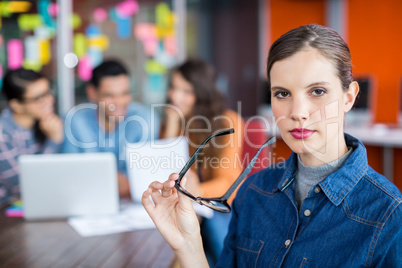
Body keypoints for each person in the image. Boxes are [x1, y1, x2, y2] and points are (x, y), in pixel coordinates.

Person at [142, 24, 402, 267]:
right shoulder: (253, 193)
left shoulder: (388, 214)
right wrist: (188, 246)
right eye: (283, 93)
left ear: (348, 97)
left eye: (318, 91)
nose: (298, 112)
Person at [160, 59, 244, 265]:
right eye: (173, 88)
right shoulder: (176, 120)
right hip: (187, 208)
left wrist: (196, 192)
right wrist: (171, 124)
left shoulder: (227, 121)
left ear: (202, 93)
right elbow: (162, 170)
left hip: (219, 209)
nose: (175, 96)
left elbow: (229, 184)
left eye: (185, 90)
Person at [62, 59, 160, 198]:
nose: (119, 102)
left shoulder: (145, 119)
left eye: (124, 93)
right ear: (92, 93)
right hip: (87, 202)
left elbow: (145, 179)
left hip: (133, 207)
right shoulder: (75, 120)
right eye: (109, 95)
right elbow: (69, 175)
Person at [0, 68, 63, 206]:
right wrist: (54, 141)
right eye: (38, 98)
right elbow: (27, 186)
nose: (48, 101)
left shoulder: (46, 122)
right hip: (6, 212)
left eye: (48, 92)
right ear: (16, 105)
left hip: (40, 205)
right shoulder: (2, 135)